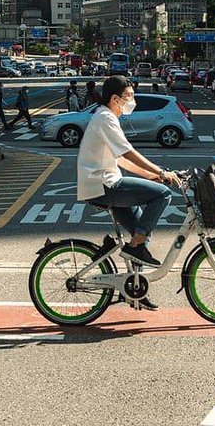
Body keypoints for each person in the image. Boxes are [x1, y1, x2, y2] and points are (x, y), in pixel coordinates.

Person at [77, 75, 176, 308]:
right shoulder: (105, 118)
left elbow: (121, 159)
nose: (132, 101)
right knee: (162, 194)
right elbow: (129, 152)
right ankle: (135, 250)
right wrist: (161, 174)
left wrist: (152, 175)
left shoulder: (107, 117)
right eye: (129, 97)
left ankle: (133, 289)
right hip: (103, 185)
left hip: (104, 182)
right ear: (114, 98)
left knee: (141, 234)